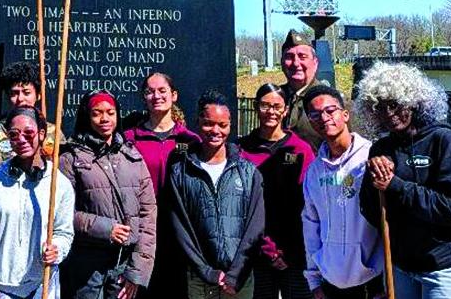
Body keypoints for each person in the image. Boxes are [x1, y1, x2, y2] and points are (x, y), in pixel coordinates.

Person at [356, 62, 451, 299]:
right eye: (380, 107)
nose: (388, 114)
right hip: (403, 267)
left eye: (394, 105)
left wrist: (395, 185)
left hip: (449, 265)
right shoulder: (382, 147)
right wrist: (374, 179)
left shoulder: (444, 141)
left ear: (413, 101)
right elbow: (371, 210)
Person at [164, 91, 265, 299]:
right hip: (200, 279)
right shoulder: (180, 171)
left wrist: (236, 274)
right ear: (198, 121)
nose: (215, 131)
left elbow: (256, 225)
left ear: (230, 125)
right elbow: (180, 226)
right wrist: (206, 270)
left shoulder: (247, 171)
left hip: (239, 280)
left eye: (223, 125)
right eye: (209, 123)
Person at [58, 91, 156, 299]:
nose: (105, 119)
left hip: (124, 265)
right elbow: (62, 212)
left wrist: (137, 272)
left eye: (110, 113)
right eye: (97, 113)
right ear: (87, 116)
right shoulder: (69, 159)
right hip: (85, 266)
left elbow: (148, 215)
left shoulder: (133, 158)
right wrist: (105, 228)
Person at [0, 105, 74, 299]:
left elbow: (64, 232)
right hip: (2, 287)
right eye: (14, 134)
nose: (21, 140)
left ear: (41, 133)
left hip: (43, 285)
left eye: (28, 133)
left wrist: (57, 249)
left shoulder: (59, 183)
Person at [301, 85, 384, 299]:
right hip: (330, 282)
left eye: (330, 110)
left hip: (372, 279)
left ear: (345, 114)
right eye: (315, 114)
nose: (324, 117)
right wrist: (314, 281)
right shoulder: (314, 171)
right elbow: (311, 225)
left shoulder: (371, 157)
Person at [121, 72, 199, 297]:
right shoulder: (129, 140)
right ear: (143, 97)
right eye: (150, 91)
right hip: (142, 231)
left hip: (178, 232)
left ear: (174, 95)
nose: (156, 96)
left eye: (162, 90)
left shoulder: (190, 141)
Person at [237, 84, 315, 299]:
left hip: (295, 252)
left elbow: (308, 204)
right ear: (255, 107)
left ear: (285, 110)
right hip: (255, 251)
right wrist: (266, 247)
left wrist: (288, 250)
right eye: (264, 105)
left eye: (276, 106)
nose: (271, 112)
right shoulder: (241, 150)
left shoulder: (300, 150)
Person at [0, 62, 56, 165]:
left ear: (38, 95)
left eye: (26, 93)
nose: (20, 99)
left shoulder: (52, 131)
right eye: (14, 93)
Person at [279, 31, 324, 149]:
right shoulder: (276, 97)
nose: (296, 63)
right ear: (282, 63)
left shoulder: (331, 100)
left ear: (315, 63)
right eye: (289, 57)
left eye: (302, 57)